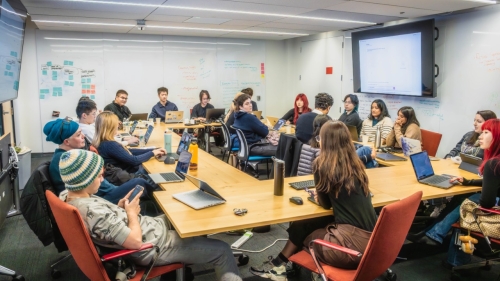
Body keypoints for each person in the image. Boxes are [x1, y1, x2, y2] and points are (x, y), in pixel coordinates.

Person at [58, 149, 243, 281]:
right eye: (98, 176)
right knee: (223, 251)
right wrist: (130, 214)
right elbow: (135, 243)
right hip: (152, 246)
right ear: (85, 180)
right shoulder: (92, 211)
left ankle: (186, 266)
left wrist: (122, 209)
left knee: (186, 213)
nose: (102, 179)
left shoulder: (69, 196)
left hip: (150, 228)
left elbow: (106, 223)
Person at [250, 121, 377, 281]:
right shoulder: (357, 165)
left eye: (320, 138)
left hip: (350, 248)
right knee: (305, 223)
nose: (319, 141)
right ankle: (279, 265)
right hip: (374, 245)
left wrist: (317, 195)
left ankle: (298, 270)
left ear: (327, 141)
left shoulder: (322, 165)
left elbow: (325, 204)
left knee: (309, 233)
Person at [408, 119, 500, 268]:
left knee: (465, 206)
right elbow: (494, 183)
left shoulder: (493, 164)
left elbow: (487, 202)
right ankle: (436, 237)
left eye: (486, 132)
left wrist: (472, 200)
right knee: (464, 198)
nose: (481, 136)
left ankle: (439, 240)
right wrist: (468, 182)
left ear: (497, 136)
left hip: (496, 217)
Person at [43, 118, 153, 204]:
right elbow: (101, 187)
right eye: (78, 135)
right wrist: (122, 189)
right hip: (99, 199)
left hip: (96, 195)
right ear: (67, 141)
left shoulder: (61, 156)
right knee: (140, 182)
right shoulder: (72, 160)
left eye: (81, 132)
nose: (83, 136)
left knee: (139, 179)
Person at [94, 111, 166, 173]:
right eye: (116, 123)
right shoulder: (110, 145)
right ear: (111, 127)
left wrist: (153, 150)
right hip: (130, 174)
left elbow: (129, 151)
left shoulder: (104, 142)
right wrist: (152, 153)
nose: (118, 125)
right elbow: (134, 161)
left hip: (125, 171)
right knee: (157, 169)